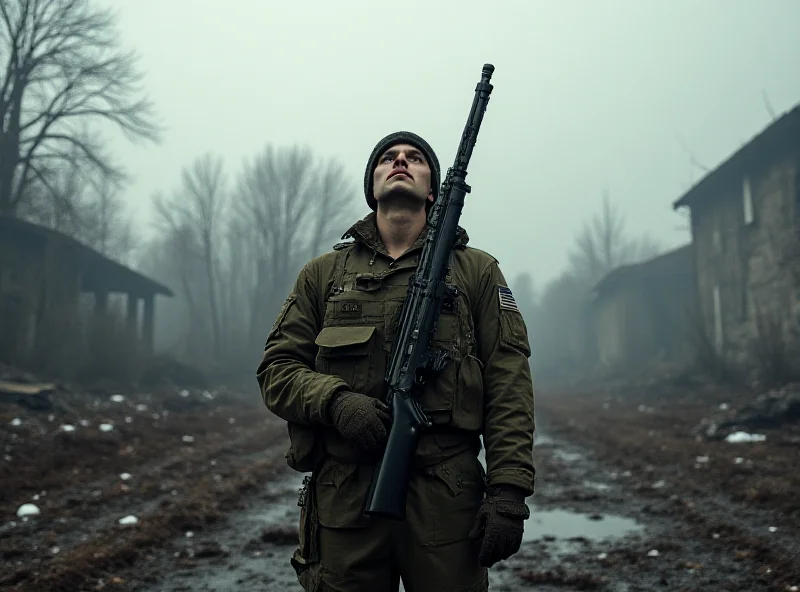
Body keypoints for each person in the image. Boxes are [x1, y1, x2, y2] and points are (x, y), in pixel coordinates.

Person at [257, 131, 536, 592]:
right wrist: (336, 401)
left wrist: (508, 491)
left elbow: (509, 383)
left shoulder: (476, 271)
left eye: (415, 158)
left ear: (432, 189)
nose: (400, 161)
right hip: (345, 499)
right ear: (373, 185)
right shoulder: (323, 274)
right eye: (388, 157)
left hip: (446, 499)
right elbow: (277, 369)